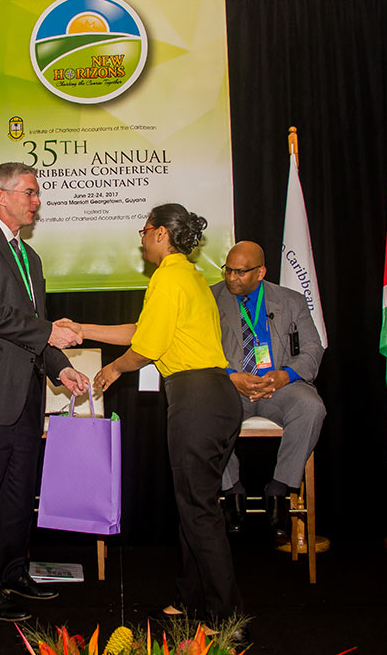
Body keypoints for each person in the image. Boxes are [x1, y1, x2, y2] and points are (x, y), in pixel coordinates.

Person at [59, 204, 244, 624]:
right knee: (194, 508)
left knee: (199, 512)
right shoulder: (189, 276)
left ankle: (227, 619)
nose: (141, 239)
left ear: (161, 233)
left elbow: (146, 348)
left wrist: (113, 368)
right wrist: (83, 329)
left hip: (197, 400)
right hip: (215, 398)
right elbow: (143, 331)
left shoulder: (168, 277)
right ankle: (188, 601)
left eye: (144, 231)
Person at [0, 162, 90, 622]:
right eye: (29, 192)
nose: (36, 201)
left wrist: (61, 369)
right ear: (0, 196)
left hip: (24, 395)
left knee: (17, 494)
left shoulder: (31, 257)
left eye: (37, 193)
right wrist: (49, 332)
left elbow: (33, 328)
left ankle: (12, 571)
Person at [212, 241, 325, 538]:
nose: (232, 278)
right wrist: (231, 376)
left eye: (240, 272)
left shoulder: (291, 301)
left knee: (311, 407)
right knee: (203, 411)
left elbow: (313, 349)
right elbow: (199, 351)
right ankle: (231, 488)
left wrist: (285, 376)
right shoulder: (209, 299)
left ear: (260, 272)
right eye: (228, 270)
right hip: (231, 388)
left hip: (279, 387)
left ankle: (279, 488)